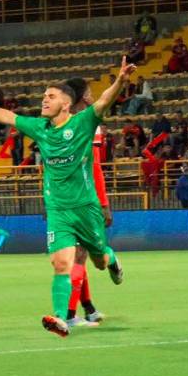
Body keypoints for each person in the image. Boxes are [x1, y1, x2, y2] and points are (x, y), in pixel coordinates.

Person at [0, 57, 133, 337]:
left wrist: (120, 81)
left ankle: (112, 260)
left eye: (50, 97)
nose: (44, 100)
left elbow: (102, 103)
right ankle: (61, 318)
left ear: (66, 103)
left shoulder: (82, 123)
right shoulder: (40, 128)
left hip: (86, 209)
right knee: (61, 263)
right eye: (43, 96)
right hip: (58, 211)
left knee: (99, 260)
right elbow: (7, 116)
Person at [63, 77, 114, 328]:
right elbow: (94, 167)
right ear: (83, 97)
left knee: (79, 255)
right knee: (82, 256)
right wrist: (104, 203)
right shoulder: (88, 122)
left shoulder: (58, 122)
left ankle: (88, 308)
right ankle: (70, 315)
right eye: (90, 92)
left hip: (61, 198)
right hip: (82, 199)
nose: (93, 95)